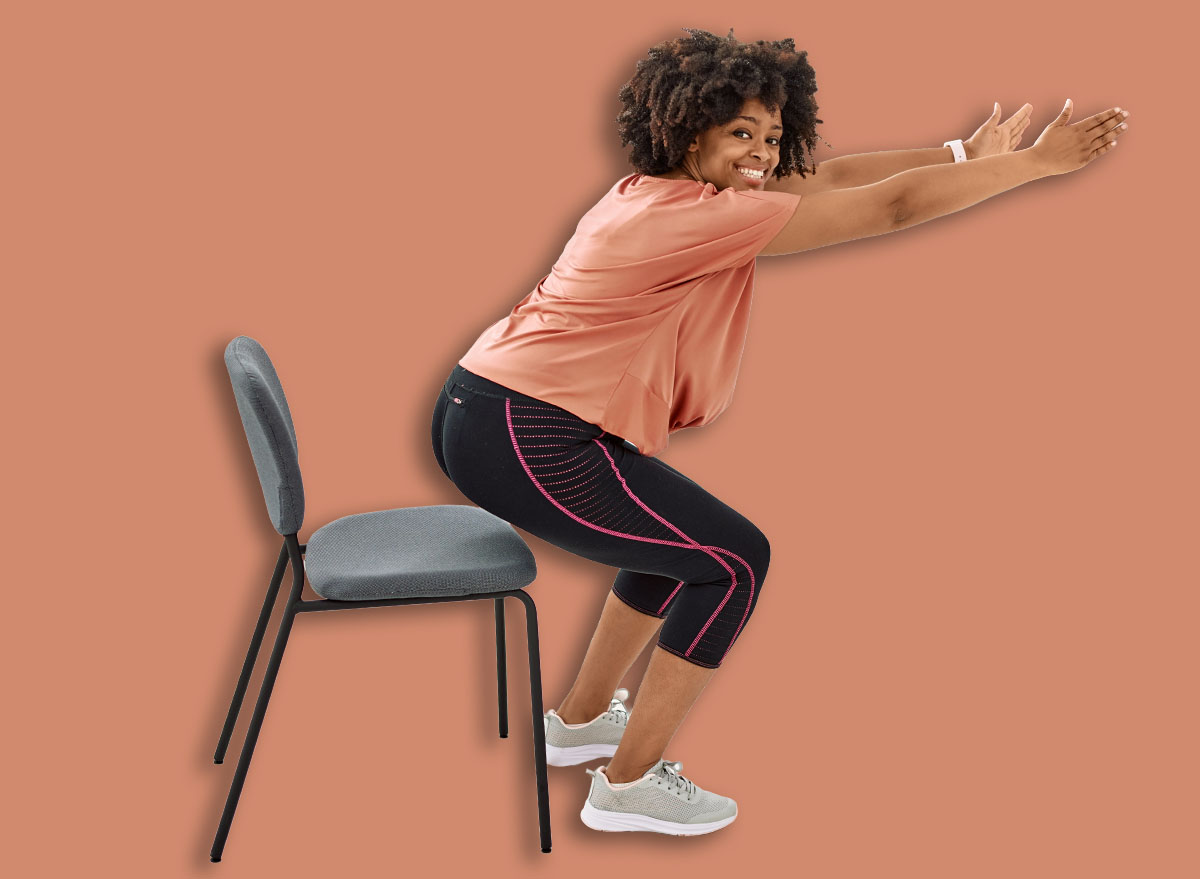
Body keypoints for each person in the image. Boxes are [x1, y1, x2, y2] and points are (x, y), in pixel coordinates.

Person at [430, 27, 1129, 837]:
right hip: (525, 434)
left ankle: (581, 725)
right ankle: (623, 787)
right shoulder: (687, 220)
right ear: (689, 130)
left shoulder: (656, 192)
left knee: (675, 551)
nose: (762, 154)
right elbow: (886, 205)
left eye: (769, 135)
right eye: (741, 136)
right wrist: (1037, 166)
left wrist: (959, 153)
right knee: (733, 561)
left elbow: (823, 175)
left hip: (493, 411)